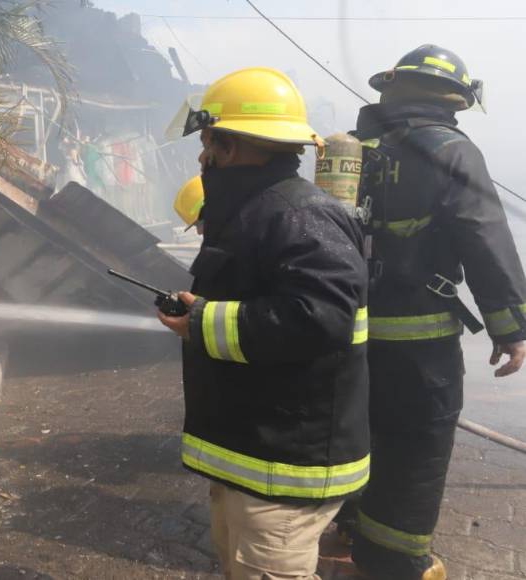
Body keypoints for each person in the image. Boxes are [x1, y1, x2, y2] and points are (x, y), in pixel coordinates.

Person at [158, 67, 370, 580]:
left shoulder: (300, 214)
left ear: (229, 147)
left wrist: (203, 322)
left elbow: (320, 318)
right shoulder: (257, 211)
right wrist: (199, 308)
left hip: (286, 464)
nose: (202, 156)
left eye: (207, 142)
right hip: (254, 454)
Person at [349, 45, 526, 580]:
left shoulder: (348, 149)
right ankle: (397, 562)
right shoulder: (452, 151)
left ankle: (346, 527)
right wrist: (512, 327)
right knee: (416, 447)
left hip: (342, 333)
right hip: (418, 344)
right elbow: (484, 237)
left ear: (392, 88)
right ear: (456, 98)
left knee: (358, 432)